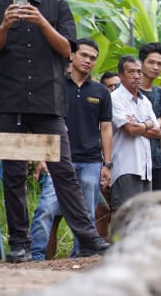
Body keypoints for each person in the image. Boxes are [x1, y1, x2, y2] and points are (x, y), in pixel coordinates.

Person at [0, 0, 108, 262]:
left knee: (63, 170)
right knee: (12, 172)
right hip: (10, 102)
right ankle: (19, 244)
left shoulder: (57, 7)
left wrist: (40, 21)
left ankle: (88, 238)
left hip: (48, 102)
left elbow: (67, 49)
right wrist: (6, 25)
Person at [29, 38, 113, 260]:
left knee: (86, 214)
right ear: (72, 55)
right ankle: (35, 256)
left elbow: (105, 128)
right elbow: (42, 123)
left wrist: (107, 164)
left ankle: (80, 258)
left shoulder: (101, 92)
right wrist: (41, 157)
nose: (88, 60)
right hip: (57, 158)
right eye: (84, 55)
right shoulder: (54, 85)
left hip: (91, 162)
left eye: (93, 58)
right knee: (46, 208)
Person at [108, 55, 161, 211]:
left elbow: (158, 132)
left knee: (142, 220)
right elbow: (130, 130)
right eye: (131, 72)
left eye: (139, 72)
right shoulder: (115, 98)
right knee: (125, 218)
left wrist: (140, 125)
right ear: (120, 75)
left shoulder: (145, 101)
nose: (137, 76)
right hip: (125, 167)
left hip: (145, 169)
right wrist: (148, 123)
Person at [138, 42, 161, 192]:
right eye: (151, 62)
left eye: (159, 63)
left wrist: (139, 127)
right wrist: (157, 122)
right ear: (141, 63)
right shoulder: (127, 90)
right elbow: (125, 127)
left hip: (156, 161)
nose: (155, 67)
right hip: (132, 160)